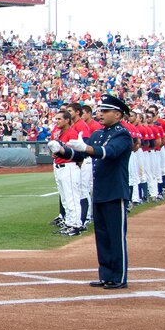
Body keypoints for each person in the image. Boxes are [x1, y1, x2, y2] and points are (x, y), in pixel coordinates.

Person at [48, 94, 133, 290]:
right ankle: (106, 275)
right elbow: (79, 155)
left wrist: (86, 147)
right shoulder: (98, 134)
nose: (100, 114)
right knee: (102, 235)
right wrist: (62, 151)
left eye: (105, 111)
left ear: (118, 114)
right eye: (100, 110)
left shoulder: (122, 134)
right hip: (101, 190)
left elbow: (109, 152)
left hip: (115, 190)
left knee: (115, 236)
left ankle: (118, 276)